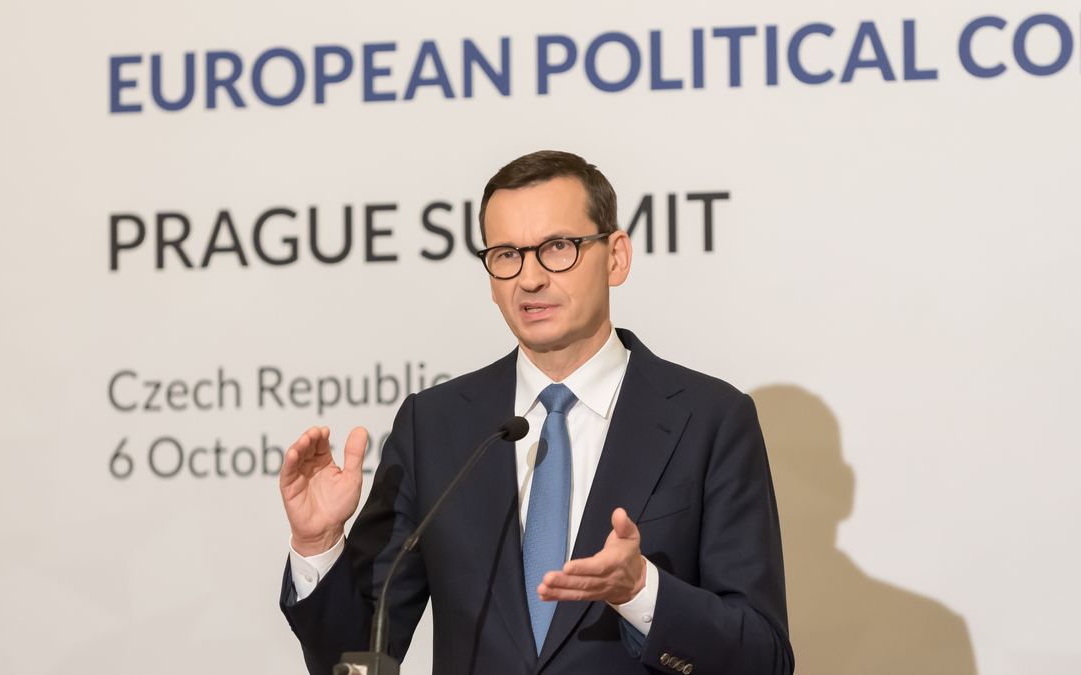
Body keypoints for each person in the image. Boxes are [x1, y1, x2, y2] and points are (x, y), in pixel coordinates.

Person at [278, 150, 794, 675]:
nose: (529, 278)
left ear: (616, 256)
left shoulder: (710, 420)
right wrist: (318, 545)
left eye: (557, 248)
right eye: (507, 254)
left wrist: (642, 591)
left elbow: (764, 658)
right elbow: (354, 655)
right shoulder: (434, 427)